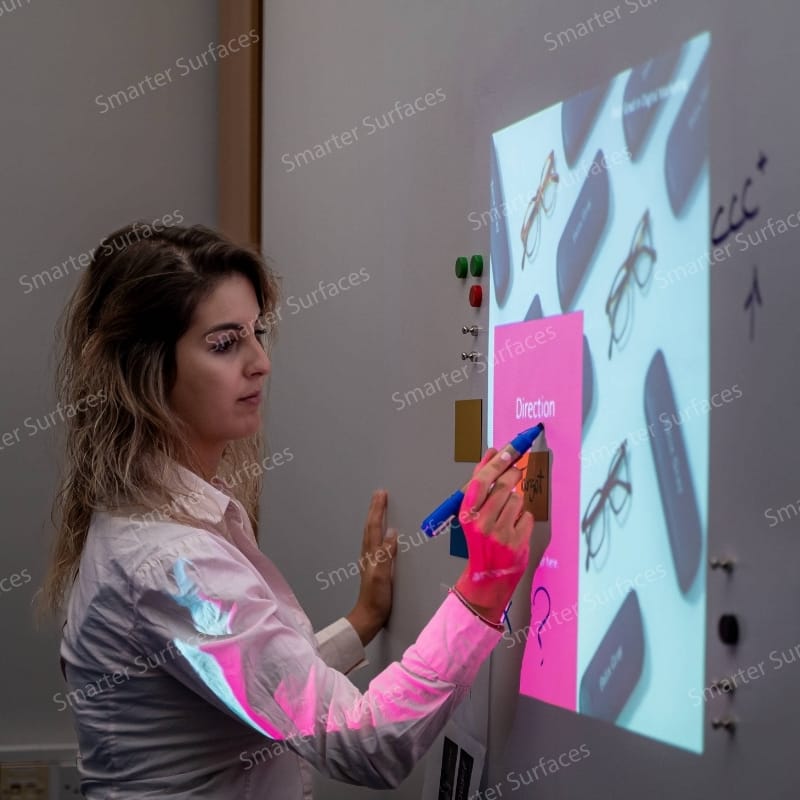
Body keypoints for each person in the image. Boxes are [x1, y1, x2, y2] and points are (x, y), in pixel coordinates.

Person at [38, 222, 548, 799]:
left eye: (257, 333)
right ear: (144, 370)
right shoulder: (171, 563)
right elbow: (365, 745)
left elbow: (237, 675)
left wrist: (361, 624)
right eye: (225, 343)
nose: (260, 362)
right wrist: (485, 587)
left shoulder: (157, 528)